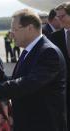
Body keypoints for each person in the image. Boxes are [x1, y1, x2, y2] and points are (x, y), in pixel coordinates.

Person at [0, 9, 67, 131]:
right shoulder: (30, 50)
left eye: (15, 29)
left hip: (43, 124)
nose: (11, 33)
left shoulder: (48, 52)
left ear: (30, 28)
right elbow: (17, 80)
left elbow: (28, 83)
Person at [51, 2, 70, 130]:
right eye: (57, 17)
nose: (58, 20)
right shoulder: (54, 37)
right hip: (64, 88)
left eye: (62, 16)